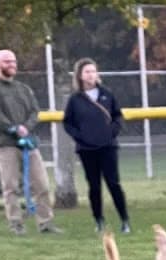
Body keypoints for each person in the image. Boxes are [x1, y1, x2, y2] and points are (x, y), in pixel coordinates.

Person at [0, 49, 61, 236]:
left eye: (14, 61)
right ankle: (16, 223)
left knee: (41, 184)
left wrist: (27, 127)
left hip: (29, 144)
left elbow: (35, 112)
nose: (12, 65)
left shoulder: (23, 89)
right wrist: (15, 129)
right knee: (11, 186)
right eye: (7, 62)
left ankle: (45, 223)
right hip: (7, 145)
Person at [63, 59, 130, 235]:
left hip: (108, 147)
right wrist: (81, 137)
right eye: (87, 72)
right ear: (80, 75)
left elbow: (118, 116)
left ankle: (124, 220)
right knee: (94, 186)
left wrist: (111, 132)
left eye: (93, 71)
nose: (91, 75)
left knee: (113, 183)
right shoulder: (75, 99)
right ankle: (99, 220)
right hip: (87, 150)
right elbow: (68, 123)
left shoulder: (107, 94)